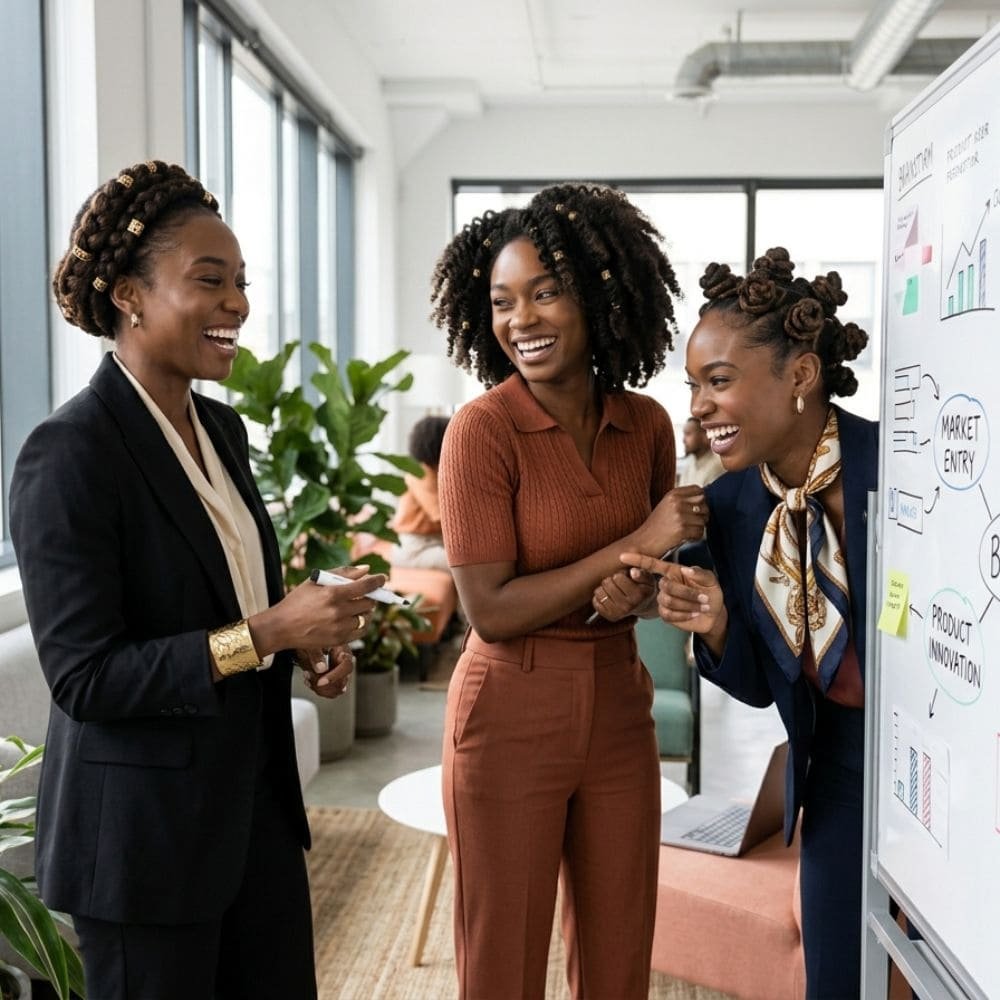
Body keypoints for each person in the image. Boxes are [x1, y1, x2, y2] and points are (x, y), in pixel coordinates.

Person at [9, 160, 386, 1000]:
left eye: (242, 283)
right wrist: (269, 632)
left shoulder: (222, 430)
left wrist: (302, 645)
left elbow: (228, 608)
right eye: (210, 281)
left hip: (255, 822)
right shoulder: (70, 453)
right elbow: (86, 677)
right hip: (144, 848)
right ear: (129, 296)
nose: (238, 304)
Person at [429, 183, 708, 1000]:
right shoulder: (481, 430)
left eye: (545, 292)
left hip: (619, 702)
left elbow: (649, 578)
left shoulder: (646, 424)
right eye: (503, 301)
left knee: (621, 956)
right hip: (508, 707)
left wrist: (635, 591)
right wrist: (634, 542)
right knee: (503, 965)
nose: (522, 319)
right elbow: (490, 610)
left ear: (596, 293)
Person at [617, 247, 875, 999]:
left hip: (950, 762)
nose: (698, 406)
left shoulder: (897, 465)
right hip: (838, 764)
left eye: (719, 381)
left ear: (801, 375)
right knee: (836, 979)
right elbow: (764, 687)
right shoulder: (731, 510)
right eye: (694, 385)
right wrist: (718, 626)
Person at [390, 414, 450, 571]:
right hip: (415, 548)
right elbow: (442, 516)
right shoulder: (420, 473)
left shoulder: (437, 471)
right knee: (468, 565)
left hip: (433, 542)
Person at [677, 415, 724, 487]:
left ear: (705, 436)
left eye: (688, 434)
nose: (683, 440)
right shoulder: (690, 464)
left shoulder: (717, 467)